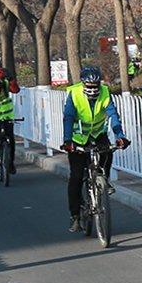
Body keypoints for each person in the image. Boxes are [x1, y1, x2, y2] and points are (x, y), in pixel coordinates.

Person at [59, 66, 130, 232]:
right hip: (78, 138)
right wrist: (68, 140)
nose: (92, 89)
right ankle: (75, 216)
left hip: (98, 134)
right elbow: (68, 117)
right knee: (76, 177)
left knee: (107, 152)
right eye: (89, 86)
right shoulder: (74, 94)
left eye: (95, 86)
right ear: (83, 84)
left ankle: (103, 180)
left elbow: (113, 115)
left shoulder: (105, 93)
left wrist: (120, 135)